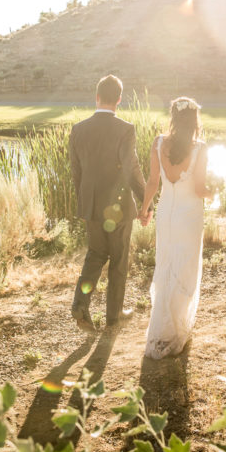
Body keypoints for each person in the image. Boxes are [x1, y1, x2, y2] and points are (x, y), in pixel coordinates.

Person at [70, 74, 148, 332]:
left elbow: (76, 173)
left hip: (91, 206)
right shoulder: (125, 129)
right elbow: (132, 168)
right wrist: (145, 201)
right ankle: (113, 318)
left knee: (95, 255)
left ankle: (80, 306)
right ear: (119, 100)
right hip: (119, 207)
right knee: (118, 260)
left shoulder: (78, 129)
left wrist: (84, 205)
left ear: (97, 97)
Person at [138, 97, 214, 359]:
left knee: (166, 266)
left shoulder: (159, 144)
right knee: (184, 268)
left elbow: (152, 182)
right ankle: (175, 330)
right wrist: (215, 191)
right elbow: (199, 189)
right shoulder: (200, 148)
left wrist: (144, 209)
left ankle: (161, 331)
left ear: (173, 117)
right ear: (194, 121)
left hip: (166, 215)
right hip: (189, 216)